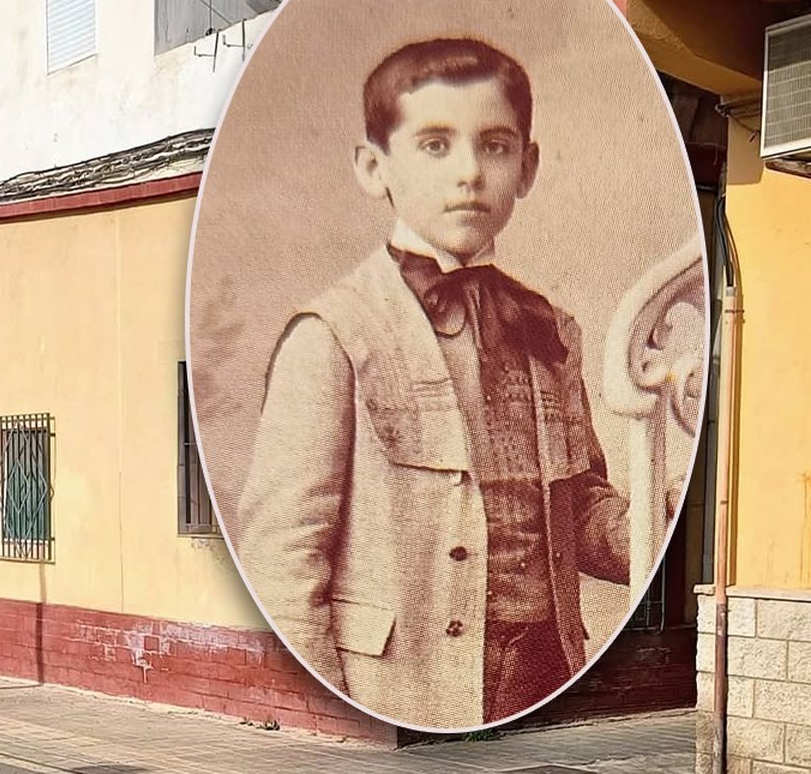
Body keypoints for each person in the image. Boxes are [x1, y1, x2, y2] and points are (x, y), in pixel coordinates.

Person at [238, 37, 630, 729]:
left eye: (496, 146)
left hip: (548, 673)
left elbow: (581, 509)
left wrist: (665, 517)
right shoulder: (333, 333)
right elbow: (282, 567)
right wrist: (340, 725)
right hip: (404, 692)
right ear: (373, 167)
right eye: (435, 145)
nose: (469, 174)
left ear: (528, 167)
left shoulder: (550, 328)